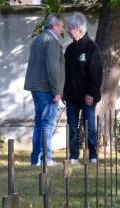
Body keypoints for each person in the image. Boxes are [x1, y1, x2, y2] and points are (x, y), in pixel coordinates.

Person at [23, 13, 65, 167]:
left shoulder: (38, 39)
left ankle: (36, 159)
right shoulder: (51, 41)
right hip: (46, 89)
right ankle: (47, 159)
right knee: (47, 124)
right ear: (55, 25)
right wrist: (56, 91)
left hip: (36, 87)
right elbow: (53, 69)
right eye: (61, 26)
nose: (62, 30)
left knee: (39, 124)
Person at [63, 12, 102, 164]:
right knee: (72, 127)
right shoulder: (70, 49)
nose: (67, 31)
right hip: (72, 97)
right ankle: (74, 156)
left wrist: (91, 93)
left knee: (89, 127)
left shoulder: (92, 48)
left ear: (78, 28)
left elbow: (97, 74)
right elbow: (66, 73)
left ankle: (93, 155)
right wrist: (64, 93)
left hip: (87, 97)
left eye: (70, 28)